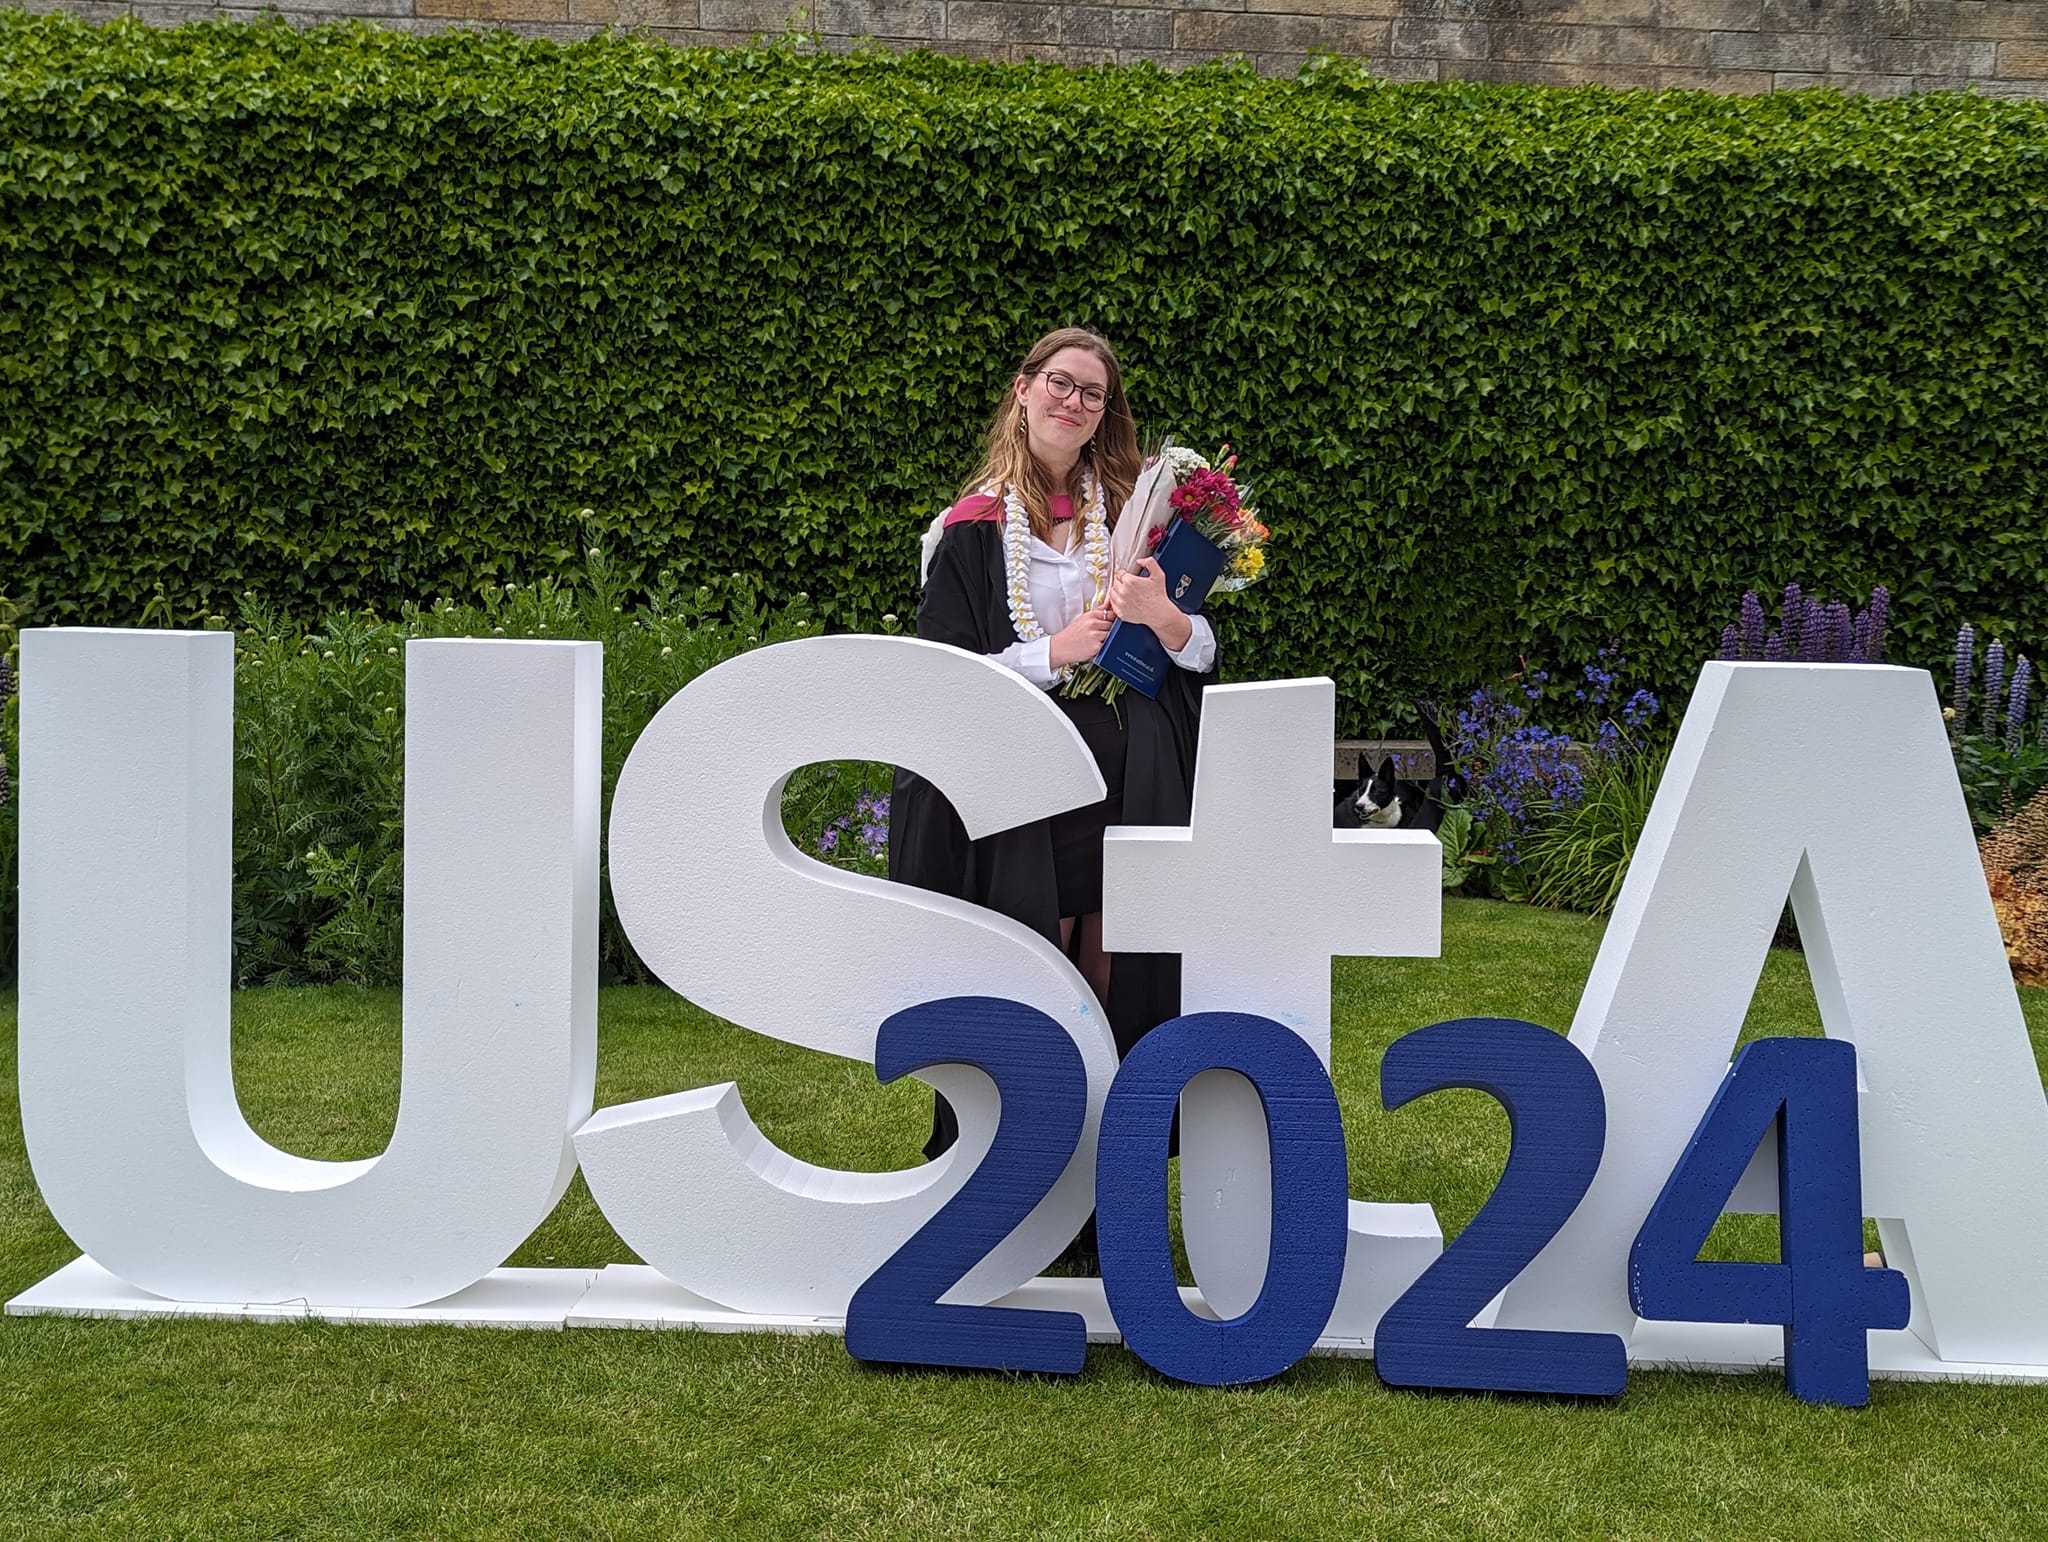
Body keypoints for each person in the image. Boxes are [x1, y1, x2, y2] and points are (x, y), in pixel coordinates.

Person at [888, 327, 1220, 1162]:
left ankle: (1112, 1166)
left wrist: (1166, 619)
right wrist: (1055, 650)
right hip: (1026, 781)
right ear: (1024, 390)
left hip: (1128, 771)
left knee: (1118, 950)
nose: (1074, 402)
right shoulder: (967, 529)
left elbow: (1201, 648)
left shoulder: (1142, 518)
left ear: (1107, 413)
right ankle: (1023, 1162)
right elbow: (946, 675)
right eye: (1060, 384)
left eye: (1093, 393)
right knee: (1034, 955)